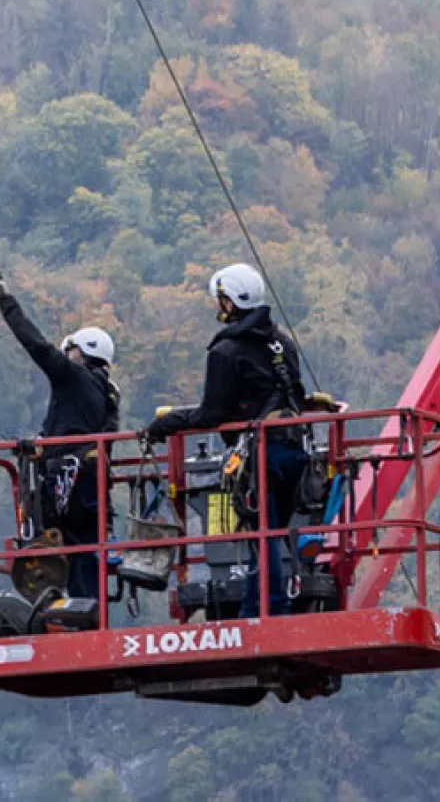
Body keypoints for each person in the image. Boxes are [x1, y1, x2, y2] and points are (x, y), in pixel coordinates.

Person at [142, 263, 307, 618]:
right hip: (294, 448)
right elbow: (297, 394)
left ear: (230, 301)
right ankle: (267, 602)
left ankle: (265, 609)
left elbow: (211, 414)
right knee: (275, 533)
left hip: (261, 453)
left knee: (261, 535)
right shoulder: (282, 344)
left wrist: (167, 424)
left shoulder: (227, 351)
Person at [0, 274, 121, 601]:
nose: (66, 353)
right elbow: (79, 430)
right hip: (92, 478)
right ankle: (90, 612)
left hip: (69, 480)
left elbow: (37, 346)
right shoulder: (108, 392)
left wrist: (8, 303)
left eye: (71, 349)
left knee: (69, 547)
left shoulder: (73, 377)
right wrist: (43, 445)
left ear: (82, 352)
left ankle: (77, 612)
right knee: (90, 548)